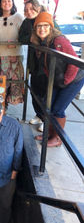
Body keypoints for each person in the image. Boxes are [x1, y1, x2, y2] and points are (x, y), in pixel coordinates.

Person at [31, 12, 84, 147]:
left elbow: (74, 63)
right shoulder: (42, 42)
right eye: (39, 26)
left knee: (58, 108)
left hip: (74, 79)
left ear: (51, 27)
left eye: (45, 26)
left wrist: (65, 82)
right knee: (48, 105)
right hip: (58, 79)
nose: (42, 29)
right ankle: (49, 134)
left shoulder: (59, 41)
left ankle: (57, 138)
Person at [0, 0, 24, 105]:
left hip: (15, 57)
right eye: (4, 1)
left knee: (14, 85)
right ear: (0, 4)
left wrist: (17, 43)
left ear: (12, 3)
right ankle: (1, 109)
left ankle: (8, 110)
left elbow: (26, 36)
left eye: (9, 1)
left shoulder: (18, 17)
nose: (6, 3)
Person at [19, 0, 47, 132]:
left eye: (31, 9)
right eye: (26, 10)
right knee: (35, 91)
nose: (28, 12)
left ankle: (46, 120)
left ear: (37, 8)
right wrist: (31, 38)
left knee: (47, 93)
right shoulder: (26, 22)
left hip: (46, 63)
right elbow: (21, 38)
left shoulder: (45, 18)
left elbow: (53, 35)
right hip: (33, 62)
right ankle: (39, 115)